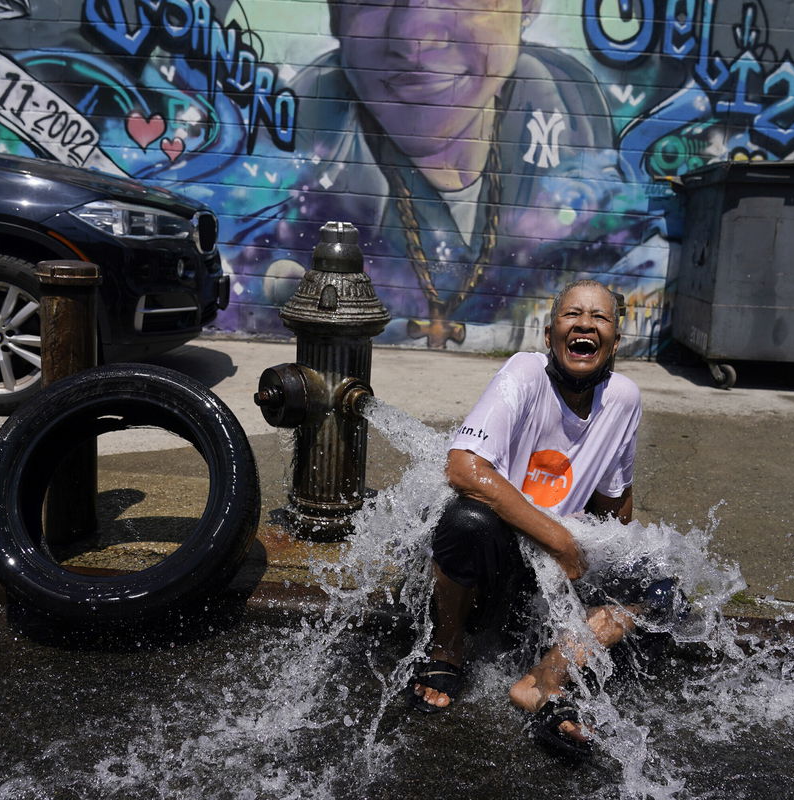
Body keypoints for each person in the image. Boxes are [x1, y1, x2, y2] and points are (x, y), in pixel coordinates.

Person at [227, 0, 648, 352]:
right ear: (336, 14)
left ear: (529, 5)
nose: (414, 36)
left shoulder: (569, 108)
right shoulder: (300, 138)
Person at [407, 279, 677, 760]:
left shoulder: (624, 398)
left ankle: (544, 678)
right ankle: (446, 648)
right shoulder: (525, 372)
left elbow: (614, 502)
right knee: (467, 520)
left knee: (662, 589)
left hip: (550, 577)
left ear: (616, 339)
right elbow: (464, 467)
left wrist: (611, 565)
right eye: (573, 314)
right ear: (550, 331)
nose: (586, 325)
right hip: (494, 561)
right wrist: (559, 540)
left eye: (600, 318)